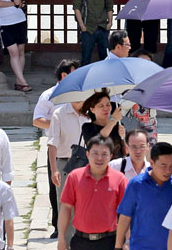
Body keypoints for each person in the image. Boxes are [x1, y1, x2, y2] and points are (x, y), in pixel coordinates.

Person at [33, 59, 80, 238]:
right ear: (64, 75)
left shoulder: (80, 94)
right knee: (56, 189)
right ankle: (57, 226)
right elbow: (37, 119)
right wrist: (58, 123)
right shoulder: (48, 95)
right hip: (57, 148)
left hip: (79, 148)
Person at [57, 135, 128, 250]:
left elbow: (126, 213)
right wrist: (61, 238)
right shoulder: (74, 177)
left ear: (111, 156)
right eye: (95, 153)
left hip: (110, 241)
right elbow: (65, 208)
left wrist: (126, 241)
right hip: (81, 241)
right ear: (87, 154)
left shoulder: (120, 179)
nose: (99, 158)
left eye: (104, 154)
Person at [115, 142, 172, 250]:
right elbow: (125, 217)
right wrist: (118, 246)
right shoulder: (136, 184)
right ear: (151, 162)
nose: (168, 170)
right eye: (163, 165)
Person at [48, 98, 90, 246]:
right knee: (66, 205)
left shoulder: (91, 112)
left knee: (87, 204)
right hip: (65, 163)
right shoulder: (59, 113)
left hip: (89, 164)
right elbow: (52, 143)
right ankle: (65, 243)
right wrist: (54, 170)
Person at [73, 0, 113, 65]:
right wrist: (82, 25)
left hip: (102, 26)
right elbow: (76, 8)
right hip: (88, 27)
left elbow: (109, 7)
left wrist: (110, 23)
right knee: (86, 58)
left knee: (105, 58)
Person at [80, 89, 126, 160]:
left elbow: (127, 151)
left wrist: (124, 138)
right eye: (101, 106)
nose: (106, 108)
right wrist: (113, 120)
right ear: (92, 109)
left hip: (118, 168)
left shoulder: (119, 126)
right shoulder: (87, 127)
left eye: (108, 105)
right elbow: (97, 141)